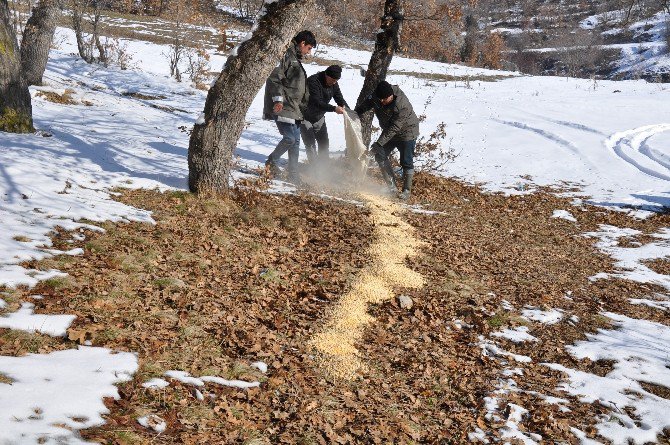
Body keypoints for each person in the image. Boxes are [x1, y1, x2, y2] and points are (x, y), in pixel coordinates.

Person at [263, 30, 316, 184]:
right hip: (283, 105)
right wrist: (278, 100)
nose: (309, 52)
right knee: (290, 138)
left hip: (295, 108)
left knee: (296, 142)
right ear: (302, 43)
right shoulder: (286, 55)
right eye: (309, 48)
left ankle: (293, 174)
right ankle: (271, 162)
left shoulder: (295, 58)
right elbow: (274, 78)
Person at [354, 80, 420, 200]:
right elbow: (369, 103)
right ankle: (392, 187)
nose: (382, 102)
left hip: (407, 133)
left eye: (385, 99)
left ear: (391, 95)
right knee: (380, 156)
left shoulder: (402, 105)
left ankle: (406, 191)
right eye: (380, 99)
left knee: (406, 161)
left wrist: (379, 143)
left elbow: (395, 127)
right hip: (389, 131)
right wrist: (356, 112)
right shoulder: (378, 96)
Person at [300, 65, 349, 163]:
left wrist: (348, 111)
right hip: (305, 116)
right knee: (310, 144)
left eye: (336, 80)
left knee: (324, 143)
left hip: (319, 117)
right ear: (326, 75)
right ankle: (314, 168)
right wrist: (334, 109)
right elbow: (317, 102)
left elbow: (339, 98)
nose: (334, 83)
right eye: (333, 80)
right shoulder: (313, 81)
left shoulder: (334, 83)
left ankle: (324, 166)